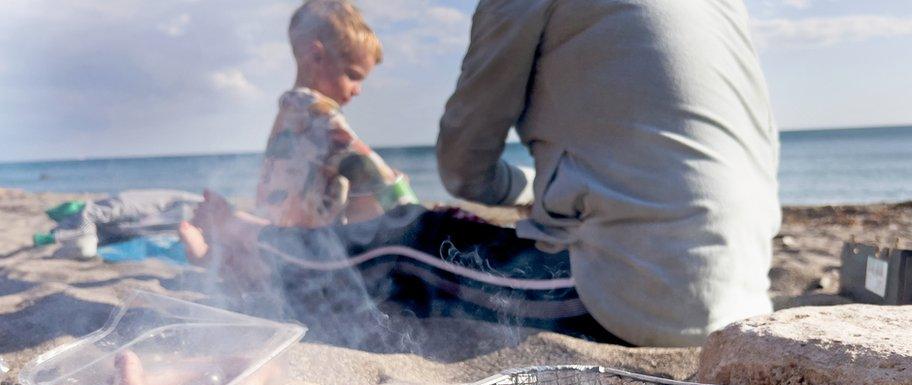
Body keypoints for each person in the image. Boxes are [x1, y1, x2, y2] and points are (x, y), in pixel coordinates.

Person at [184, 0, 780, 347]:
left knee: (409, 238)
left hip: (640, 297)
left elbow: (464, 169)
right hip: (744, 294)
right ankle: (253, 239)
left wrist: (522, 188)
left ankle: (247, 244)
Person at [255, 0, 417, 228]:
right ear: (316, 57)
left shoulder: (289, 111)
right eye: (352, 75)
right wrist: (409, 205)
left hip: (280, 235)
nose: (357, 90)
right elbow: (370, 168)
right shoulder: (317, 113)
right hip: (308, 245)